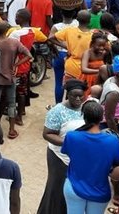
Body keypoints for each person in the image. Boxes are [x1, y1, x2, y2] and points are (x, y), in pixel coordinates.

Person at [61, 101, 119, 214]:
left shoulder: (72, 136)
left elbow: (68, 152)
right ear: (101, 118)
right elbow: (118, 162)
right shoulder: (112, 141)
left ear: (84, 117)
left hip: (73, 188)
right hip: (100, 191)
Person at [37, 80, 86, 214]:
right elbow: (47, 134)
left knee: (72, 189)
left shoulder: (86, 108)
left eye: (81, 96)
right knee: (57, 188)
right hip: (59, 156)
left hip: (78, 157)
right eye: (74, 96)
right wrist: (68, 144)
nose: (77, 99)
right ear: (67, 95)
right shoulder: (57, 111)